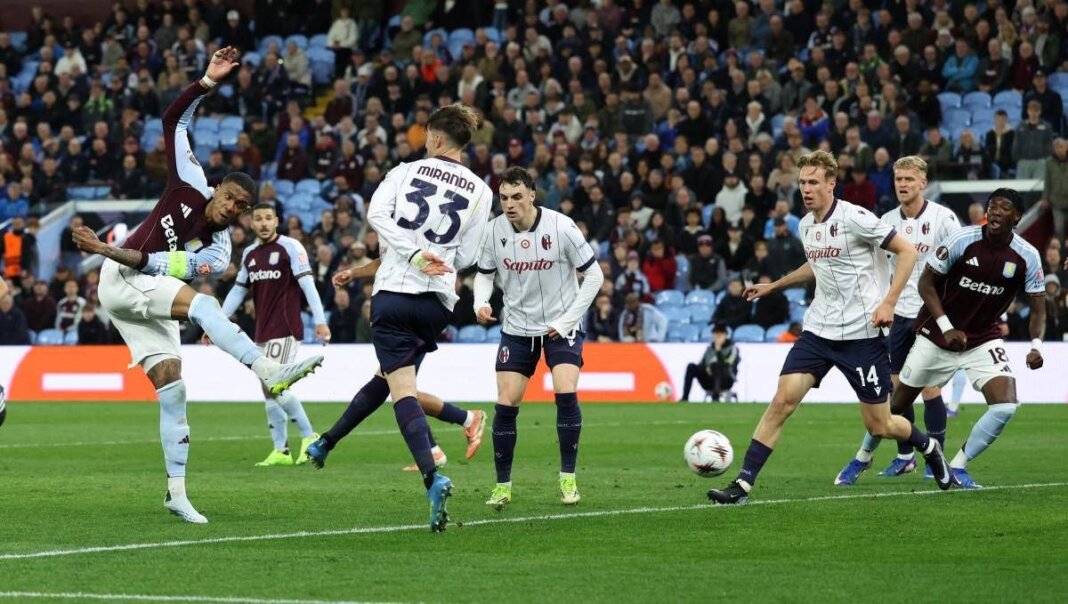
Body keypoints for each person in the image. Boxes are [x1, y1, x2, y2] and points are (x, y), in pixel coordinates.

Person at [71, 48, 324, 524]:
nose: (232, 208)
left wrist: (104, 248)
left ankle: (176, 493)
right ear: (219, 189)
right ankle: (268, 370)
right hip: (121, 279)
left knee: (173, 390)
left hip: (142, 280)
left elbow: (156, 263)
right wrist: (206, 82)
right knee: (206, 306)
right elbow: (174, 122)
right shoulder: (189, 182)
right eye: (230, 198)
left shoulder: (218, 251)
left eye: (242, 207)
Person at [707, 150, 954, 505]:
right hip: (818, 332)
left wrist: (889, 302)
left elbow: (908, 252)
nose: (805, 189)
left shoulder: (855, 218)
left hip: (862, 335)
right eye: (802, 182)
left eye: (813, 182)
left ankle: (927, 446)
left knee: (880, 424)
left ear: (831, 184)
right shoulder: (805, 225)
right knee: (782, 401)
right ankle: (743, 485)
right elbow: (816, 264)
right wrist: (774, 285)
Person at [316, 103, 490, 532]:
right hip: (437, 303)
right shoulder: (482, 191)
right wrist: (439, 258)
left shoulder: (405, 172)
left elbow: (376, 216)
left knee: (402, 393)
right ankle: (328, 441)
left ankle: (433, 474)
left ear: (435, 138)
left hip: (394, 294)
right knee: (390, 381)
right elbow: (469, 254)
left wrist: (412, 253)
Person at [886, 188, 1046, 488]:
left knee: (1005, 406)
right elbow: (925, 284)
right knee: (894, 407)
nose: (995, 211)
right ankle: (864, 455)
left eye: (1004, 207)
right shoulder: (963, 239)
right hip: (937, 335)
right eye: (992, 206)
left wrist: (1036, 346)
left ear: (1016, 217)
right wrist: (946, 326)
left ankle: (957, 466)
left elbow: (1038, 308)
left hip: (983, 338)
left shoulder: (1027, 255)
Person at [475, 166, 604, 509]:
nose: (509, 204)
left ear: (532, 195)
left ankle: (567, 479)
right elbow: (484, 274)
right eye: (504, 198)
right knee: (506, 402)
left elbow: (594, 276)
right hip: (517, 328)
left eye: (517, 196)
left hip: (561, 327)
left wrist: (568, 320)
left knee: (565, 390)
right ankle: (502, 486)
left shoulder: (562, 226)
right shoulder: (493, 231)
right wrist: (480, 301)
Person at [835, 156, 962, 484]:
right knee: (894, 389)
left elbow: (962, 263)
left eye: (909, 179)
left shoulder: (944, 219)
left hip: (929, 314)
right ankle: (906, 456)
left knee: (928, 388)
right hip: (897, 316)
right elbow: (876, 266)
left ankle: (936, 459)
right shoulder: (886, 221)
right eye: (898, 179)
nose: (903, 184)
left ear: (923, 182)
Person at [304, 254, 488, 472]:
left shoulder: (409, 234)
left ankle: (464, 422)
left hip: (413, 310)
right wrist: (354, 273)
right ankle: (444, 440)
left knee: (397, 391)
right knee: (400, 390)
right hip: (403, 310)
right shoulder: (393, 237)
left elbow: (416, 258)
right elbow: (388, 259)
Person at [214, 203, 329, 467]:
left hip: (285, 328)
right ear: (251, 223)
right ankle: (281, 450)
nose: (264, 223)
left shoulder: (291, 247)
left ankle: (309, 437)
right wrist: (217, 322)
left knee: (275, 385)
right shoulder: (250, 254)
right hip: (262, 330)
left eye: (268, 218)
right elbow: (238, 290)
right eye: (258, 219)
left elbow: (308, 285)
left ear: (276, 221)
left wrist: (320, 321)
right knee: (268, 389)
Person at [679, 323, 739, 402]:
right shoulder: (710, 349)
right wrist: (706, 368)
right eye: (716, 335)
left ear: (725, 336)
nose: (717, 337)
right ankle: (685, 397)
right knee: (691, 367)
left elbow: (728, 364)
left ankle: (716, 397)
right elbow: (702, 364)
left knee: (716, 366)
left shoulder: (732, 348)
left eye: (720, 335)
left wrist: (718, 350)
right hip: (709, 379)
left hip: (726, 379)